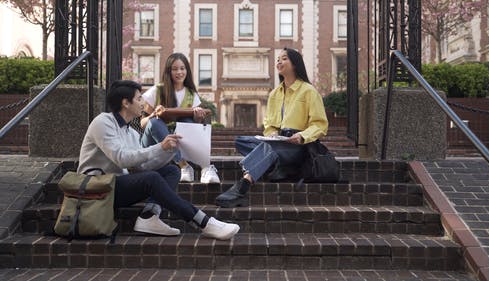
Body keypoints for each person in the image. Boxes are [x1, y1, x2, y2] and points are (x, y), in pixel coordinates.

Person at [77, 80, 239, 240]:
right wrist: (160, 147)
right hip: (95, 189)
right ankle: (203, 221)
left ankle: (149, 216)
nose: (143, 103)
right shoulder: (103, 122)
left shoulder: (131, 132)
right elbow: (121, 159)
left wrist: (171, 150)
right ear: (126, 103)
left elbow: (141, 167)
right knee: (152, 178)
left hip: (115, 186)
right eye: (139, 98)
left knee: (171, 171)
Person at [215, 48, 329, 208]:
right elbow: (269, 124)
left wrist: (302, 136)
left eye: (284, 59)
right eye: (277, 60)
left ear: (295, 64)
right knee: (241, 141)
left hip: (298, 146)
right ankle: (278, 165)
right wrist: (272, 133)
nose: (279, 62)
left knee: (268, 149)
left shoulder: (309, 91)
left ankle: (243, 186)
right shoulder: (275, 94)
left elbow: (320, 124)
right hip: (278, 141)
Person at [140, 53, 220, 184]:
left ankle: (204, 167)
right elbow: (142, 124)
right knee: (154, 123)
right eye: (175, 69)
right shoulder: (157, 90)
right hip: (153, 144)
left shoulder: (191, 94)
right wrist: (153, 114)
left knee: (187, 121)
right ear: (168, 71)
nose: (179, 72)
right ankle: (183, 165)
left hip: (175, 146)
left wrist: (198, 118)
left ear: (187, 70)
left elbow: (194, 130)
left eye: (182, 68)